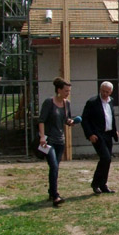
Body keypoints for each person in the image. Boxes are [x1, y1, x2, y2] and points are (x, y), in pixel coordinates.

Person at [38, 77, 75, 207]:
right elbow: (41, 120)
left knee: (55, 167)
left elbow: (66, 119)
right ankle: (55, 196)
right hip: (49, 140)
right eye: (65, 91)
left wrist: (70, 122)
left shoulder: (67, 103)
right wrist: (42, 137)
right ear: (58, 90)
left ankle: (51, 191)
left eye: (69, 91)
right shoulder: (49, 102)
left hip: (60, 141)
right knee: (53, 166)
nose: (67, 93)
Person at [82, 81, 119, 194]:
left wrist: (115, 130)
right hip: (97, 135)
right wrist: (90, 134)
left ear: (111, 92)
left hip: (108, 134)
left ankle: (103, 185)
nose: (105, 93)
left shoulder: (111, 101)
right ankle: (95, 184)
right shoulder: (92, 102)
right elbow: (85, 119)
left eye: (107, 92)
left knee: (108, 160)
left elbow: (111, 117)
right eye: (103, 91)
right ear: (100, 89)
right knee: (105, 158)